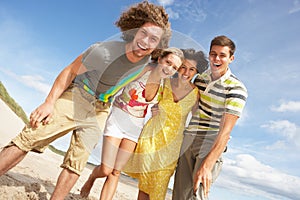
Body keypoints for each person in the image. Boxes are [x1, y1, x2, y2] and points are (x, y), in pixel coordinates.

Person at [0, 1, 171, 199]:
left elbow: (170, 70)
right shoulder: (104, 52)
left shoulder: (145, 63)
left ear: (158, 46)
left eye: (153, 39)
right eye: (143, 33)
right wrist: (49, 102)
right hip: (79, 95)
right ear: (134, 30)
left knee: (77, 163)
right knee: (30, 137)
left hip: (100, 109)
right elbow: (70, 70)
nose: (146, 42)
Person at [80, 47, 184, 200]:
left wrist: (157, 111)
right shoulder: (143, 69)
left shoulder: (165, 86)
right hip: (116, 120)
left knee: (116, 172)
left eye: (174, 68)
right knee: (106, 169)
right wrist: (100, 99)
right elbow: (118, 84)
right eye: (168, 62)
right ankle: (91, 178)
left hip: (135, 129)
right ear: (160, 59)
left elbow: (167, 107)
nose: (169, 69)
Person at [123, 49, 208, 200]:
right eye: (183, 67)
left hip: (172, 146)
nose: (186, 72)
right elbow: (148, 96)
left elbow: (198, 121)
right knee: (145, 183)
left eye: (192, 69)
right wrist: (153, 108)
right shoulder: (165, 82)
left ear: (196, 71)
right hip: (151, 137)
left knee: (160, 185)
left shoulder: (196, 95)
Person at [172, 35, 248, 200]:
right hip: (189, 137)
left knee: (196, 195)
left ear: (231, 58)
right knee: (178, 195)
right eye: (213, 54)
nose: (217, 58)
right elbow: (190, 105)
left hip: (210, 141)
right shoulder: (200, 79)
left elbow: (226, 131)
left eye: (222, 55)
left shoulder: (237, 88)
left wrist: (207, 165)